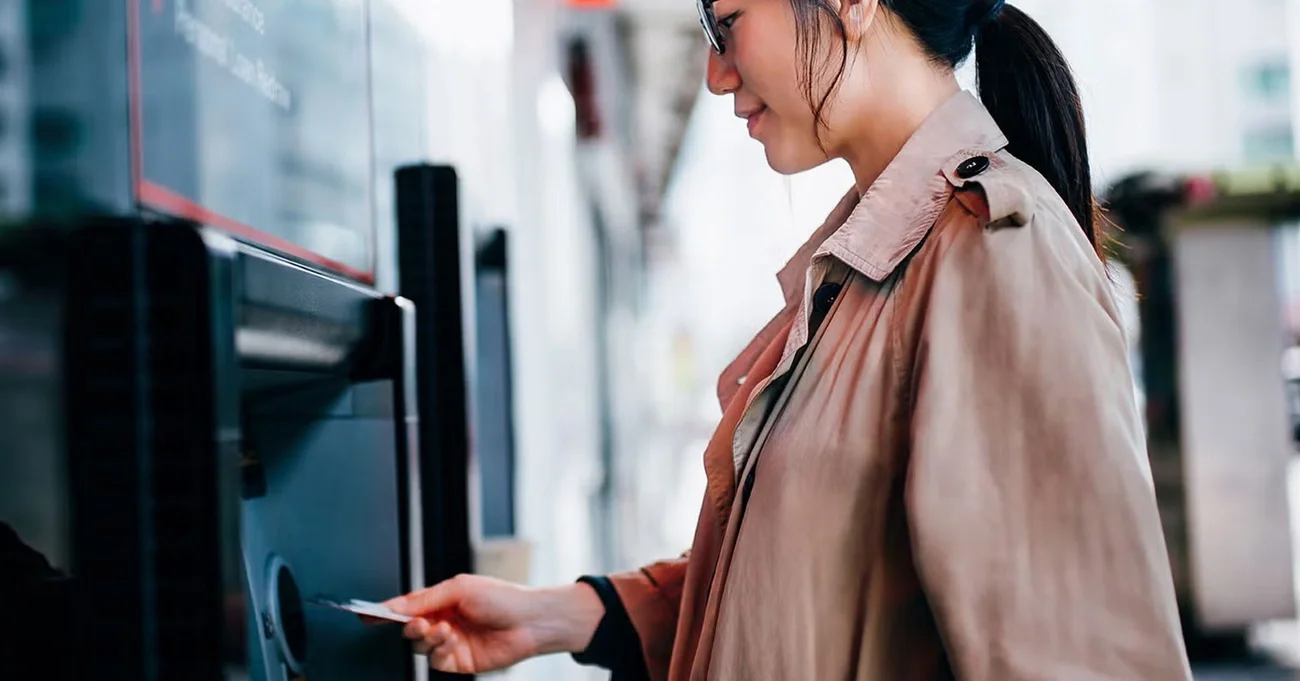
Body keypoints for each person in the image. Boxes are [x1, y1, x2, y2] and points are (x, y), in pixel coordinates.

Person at [374, 0, 1193, 678]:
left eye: (724, 21)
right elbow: (816, 597)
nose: (715, 72)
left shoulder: (997, 251)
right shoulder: (874, 266)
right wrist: (562, 614)